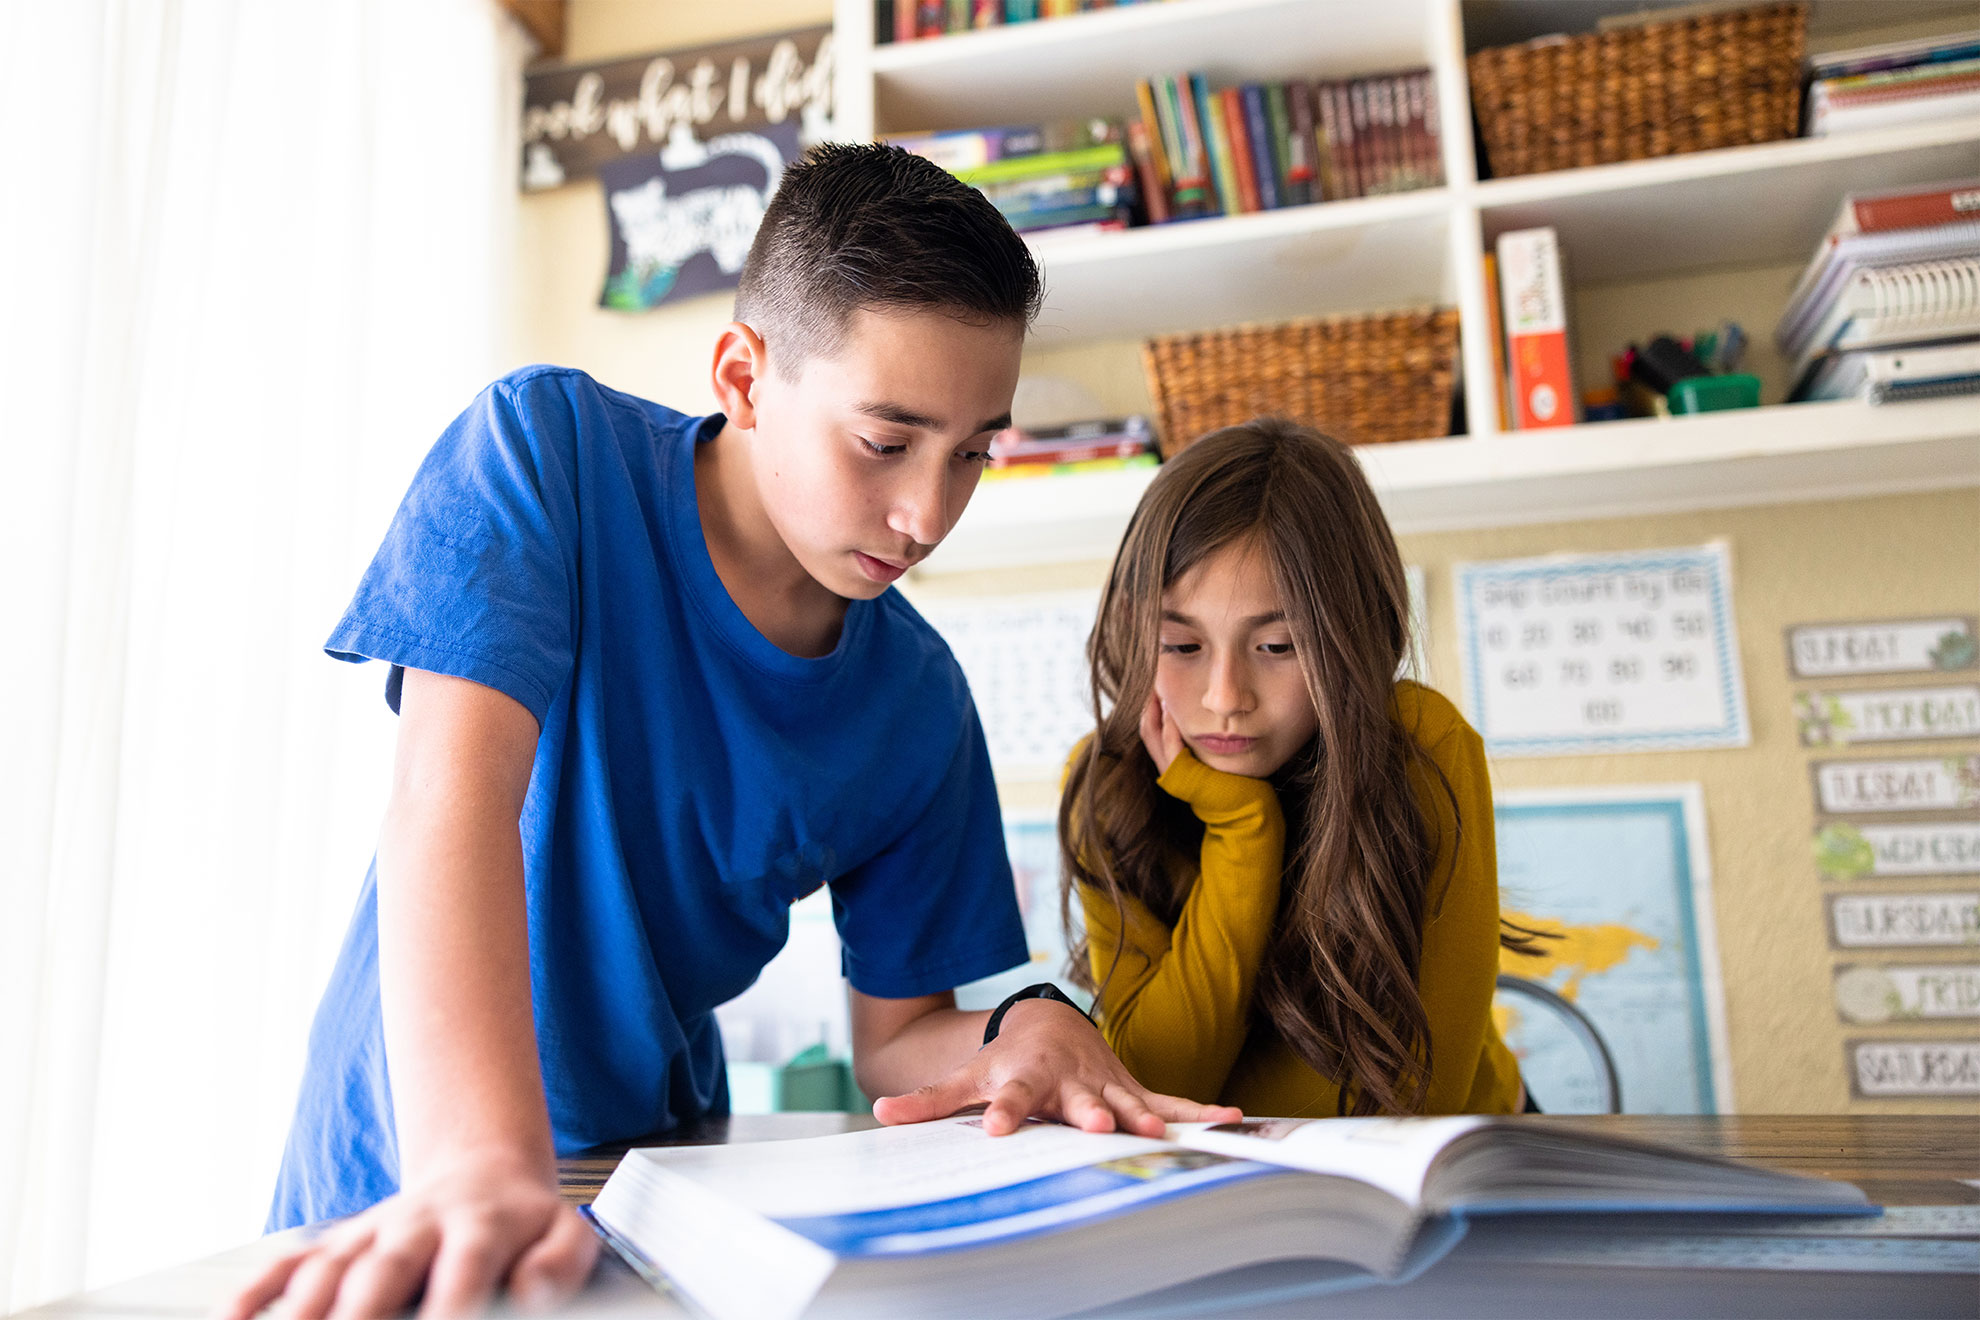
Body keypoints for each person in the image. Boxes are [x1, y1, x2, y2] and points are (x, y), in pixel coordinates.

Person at [227, 143, 1235, 1320]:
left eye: (975, 453)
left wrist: (1028, 1021)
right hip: (405, 1166)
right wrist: (478, 1171)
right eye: (885, 441)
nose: (926, 514)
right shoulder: (543, 455)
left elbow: (900, 1037)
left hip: (641, 1182)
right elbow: (450, 799)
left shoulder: (918, 701)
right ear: (746, 379)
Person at [1060, 418, 1533, 1122]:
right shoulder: (1107, 782)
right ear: (1133, 629)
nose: (1225, 698)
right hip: (1235, 1177)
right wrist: (1241, 826)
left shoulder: (1422, 746)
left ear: (1354, 631)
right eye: (1181, 645)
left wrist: (1214, 1095)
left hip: (1467, 1153)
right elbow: (1153, 1078)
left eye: (1278, 646)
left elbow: (1413, 1098)